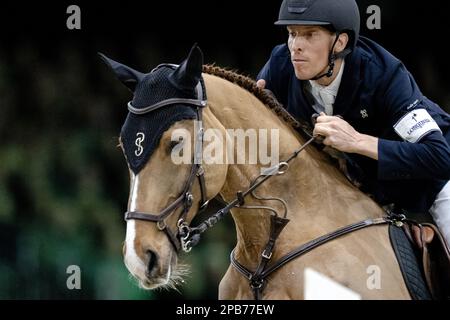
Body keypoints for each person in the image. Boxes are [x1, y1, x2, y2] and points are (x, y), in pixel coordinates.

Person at [256, 0, 450, 246]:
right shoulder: (281, 64)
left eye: (310, 35)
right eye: (292, 34)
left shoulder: (384, 75)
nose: (296, 46)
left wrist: (356, 141)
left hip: (434, 184)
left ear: (340, 42)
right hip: (367, 190)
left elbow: (439, 157)